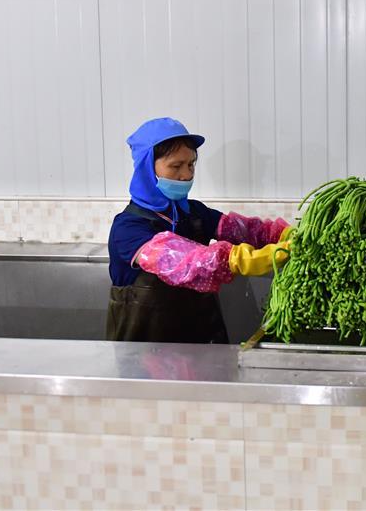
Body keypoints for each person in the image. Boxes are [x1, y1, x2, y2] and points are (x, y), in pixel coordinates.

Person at [107, 117, 291, 344]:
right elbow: (183, 260)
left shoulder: (194, 212)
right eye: (176, 166)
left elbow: (248, 231)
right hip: (144, 357)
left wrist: (283, 235)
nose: (186, 175)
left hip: (199, 345)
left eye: (191, 164)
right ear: (147, 168)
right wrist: (237, 259)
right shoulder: (128, 229)